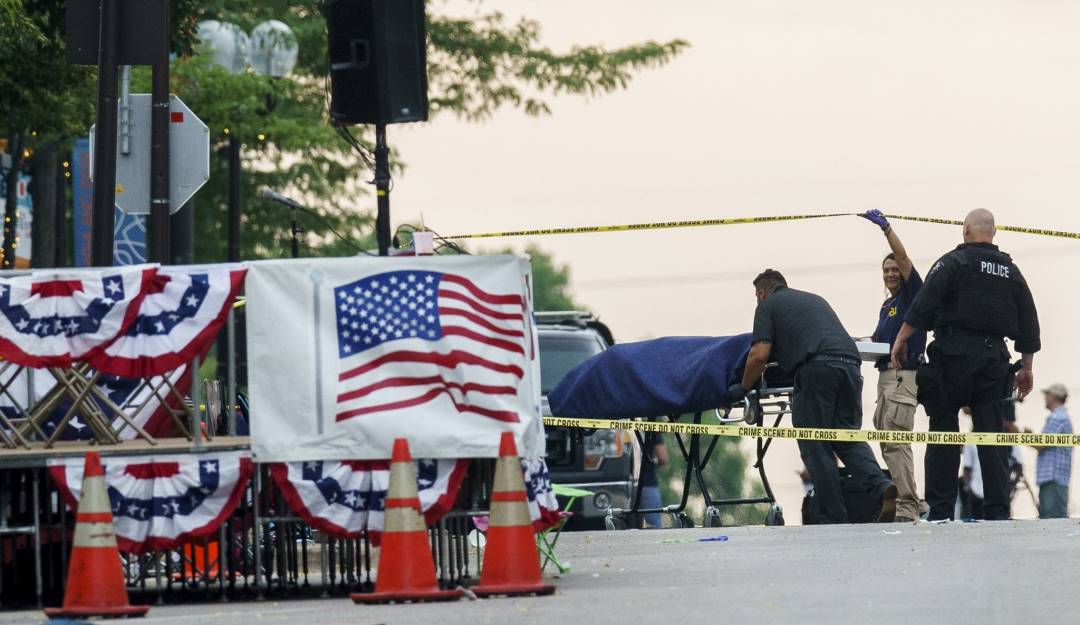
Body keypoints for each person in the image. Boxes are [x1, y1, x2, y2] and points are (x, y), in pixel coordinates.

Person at [891, 208, 1040, 521]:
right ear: (993, 233)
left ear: (966, 230)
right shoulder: (1010, 271)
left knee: (943, 430)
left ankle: (941, 511)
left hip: (953, 355)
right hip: (994, 360)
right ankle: (998, 512)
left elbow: (924, 303)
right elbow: (1029, 320)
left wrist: (902, 338)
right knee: (992, 435)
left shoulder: (953, 262)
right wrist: (1027, 367)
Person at [728, 269, 898, 523]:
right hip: (851, 365)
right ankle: (881, 486)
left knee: (814, 443)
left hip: (818, 368)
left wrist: (743, 387)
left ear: (762, 293)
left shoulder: (767, 306)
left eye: (757, 296)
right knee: (847, 437)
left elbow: (759, 354)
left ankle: (833, 517)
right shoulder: (814, 300)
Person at [859, 209, 925, 522]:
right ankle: (910, 501)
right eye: (886, 270)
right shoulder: (888, 305)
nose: (891, 274)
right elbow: (878, 340)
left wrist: (886, 229)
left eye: (895, 269)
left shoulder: (913, 295)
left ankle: (908, 506)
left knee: (898, 442)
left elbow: (903, 257)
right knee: (888, 442)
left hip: (903, 375)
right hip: (884, 376)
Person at [1026, 383, 1072, 519]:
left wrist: (1025, 437)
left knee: (1053, 521)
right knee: (1053, 520)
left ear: (1055, 396)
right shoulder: (1061, 417)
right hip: (1054, 478)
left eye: (1048, 394)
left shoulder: (1058, 417)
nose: (1045, 397)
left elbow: (1042, 444)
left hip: (1053, 478)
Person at [638, 432, 669, 528]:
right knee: (654, 525)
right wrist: (652, 463)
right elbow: (663, 458)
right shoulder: (652, 427)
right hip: (648, 482)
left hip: (623, 482)